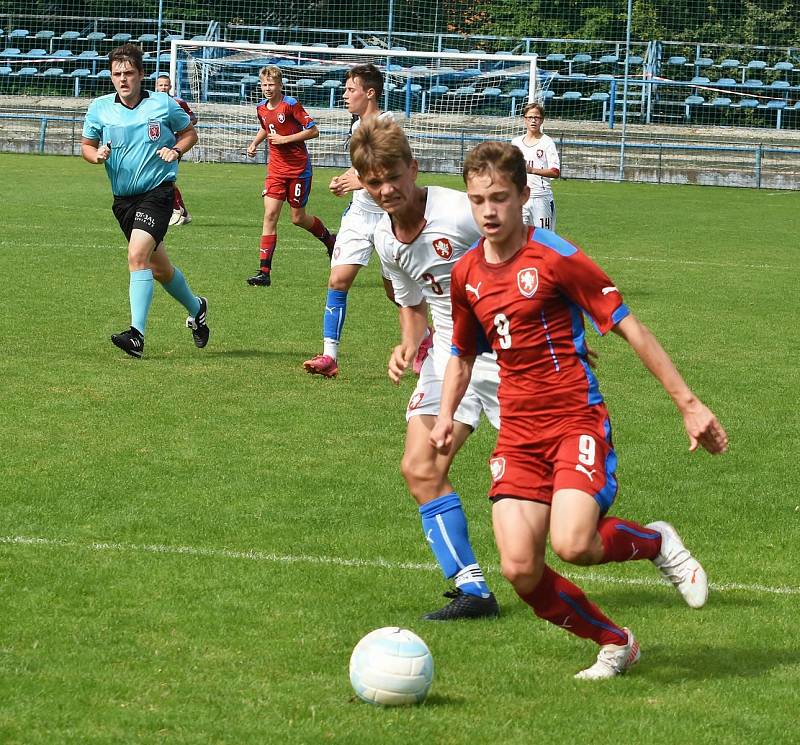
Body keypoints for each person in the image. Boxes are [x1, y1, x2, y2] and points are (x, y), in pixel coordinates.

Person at [430, 141, 729, 677]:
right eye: (477, 200)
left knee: (574, 544)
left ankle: (657, 541)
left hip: (574, 419)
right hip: (518, 433)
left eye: (499, 198)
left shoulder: (557, 258)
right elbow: (460, 355)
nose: (489, 211)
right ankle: (616, 642)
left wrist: (689, 404)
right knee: (520, 569)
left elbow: (630, 328)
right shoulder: (466, 273)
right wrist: (446, 417)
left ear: (524, 195)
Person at [350, 116, 500, 621]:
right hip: (446, 360)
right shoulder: (383, 238)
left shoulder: (460, 213)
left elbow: (527, 260)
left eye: (393, 175)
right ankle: (472, 589)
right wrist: (407, 345)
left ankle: (652, 542)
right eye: (373, 182)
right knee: (420, 467)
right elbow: (413, 301)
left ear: (413, 168)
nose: (386, 189)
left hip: (507, 357)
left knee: (564, 508)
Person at [303, 63, 432, 379]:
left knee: (397, 294)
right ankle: (330, 357)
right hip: (359, 217)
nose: (345, 95)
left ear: (369, 93)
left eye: (350, 90)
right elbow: (360, 170)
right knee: (337, 281)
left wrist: (358, 181)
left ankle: (427, 339)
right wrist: (343, 180)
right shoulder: (356, 127)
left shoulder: (388, 126)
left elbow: (395, 171)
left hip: (390, 218)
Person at [81, 44, 209, 359]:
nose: (122, 79)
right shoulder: (99, 108)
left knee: (137, 255)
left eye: (128, 73)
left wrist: (176, 150)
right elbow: (86, 145)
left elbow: (189, 133)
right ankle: (197, 309)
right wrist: (96, 156)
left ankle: (136, 335)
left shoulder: (163, 104)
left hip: (158, 192)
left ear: (141, 74)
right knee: (158, 268)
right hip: (123, 201)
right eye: (116, 74)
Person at [245, 65, 336, 287]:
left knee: (298, 218)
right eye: (264, 84)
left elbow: (313, 130)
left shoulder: (291, 105)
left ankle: (330, 240)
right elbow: (267, 127)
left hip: (298, 170)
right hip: (276, 170)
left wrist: (286, 139)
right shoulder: (261, 108)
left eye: (271, 84)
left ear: (280, 85)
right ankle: (264, 272)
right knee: (270, 216)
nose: (267, 88)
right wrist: (255, 142)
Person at [155, 73, 197, 226]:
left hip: (175, 146)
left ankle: (178, 210)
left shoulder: (178, 102)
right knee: (159, 179)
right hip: (159, 146)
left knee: (165, 179)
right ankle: (180, 211)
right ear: (156, 87)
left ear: (170, 86)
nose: (163, 87)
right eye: (160, 85)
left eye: (166, 85)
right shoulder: (151, 103)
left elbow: (193, 118)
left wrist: (179, 124)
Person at [511, 102, 560, 231]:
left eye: (537, 118)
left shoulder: (547, 142)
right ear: (524, 120)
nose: (533, 121)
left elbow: (555, 172)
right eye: (530, 117)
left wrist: (532, 170)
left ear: (542, 120)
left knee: (544, 240)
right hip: (521, 199)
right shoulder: (515, 142)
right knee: (517, 238)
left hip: (541, 198)